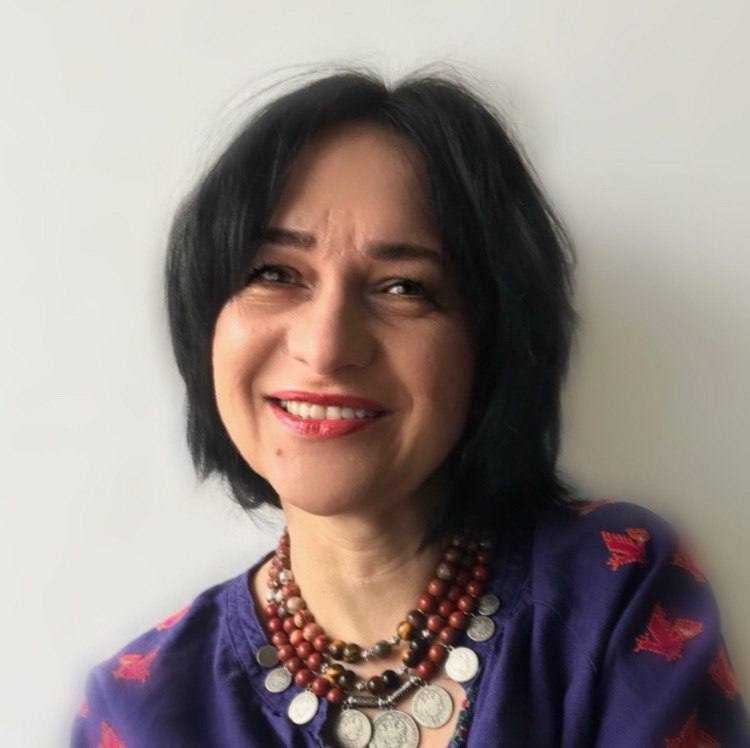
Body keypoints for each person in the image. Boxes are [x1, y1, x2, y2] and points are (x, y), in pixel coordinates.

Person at [70, 68, 749, 747]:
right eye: (274, 274)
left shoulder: (613, 590)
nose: (326, 347)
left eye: (403, 287)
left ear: (495, 341)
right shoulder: (141, 708)